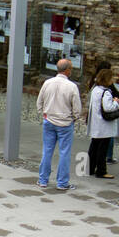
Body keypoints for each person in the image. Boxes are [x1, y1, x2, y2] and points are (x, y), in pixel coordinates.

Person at [36, 58, 82, 190]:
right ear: (67, 70)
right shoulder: (72, 86)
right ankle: (62, 182)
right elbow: (77, 108)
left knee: (47, 151)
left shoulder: (47, 83)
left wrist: (43, 113)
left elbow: (39, 101)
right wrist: (74, 118)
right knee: (64, 153)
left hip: (49, 120)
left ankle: (43, 180)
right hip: (65, 123)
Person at [86, 67, 119, 179]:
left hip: (95, 122)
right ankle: (101, 170)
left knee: (94, 146)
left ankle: (89, 168)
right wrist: (115, 102)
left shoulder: (95, 90)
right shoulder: (106, 93)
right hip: (104, 125)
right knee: (102, 149)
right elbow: (108, 107)